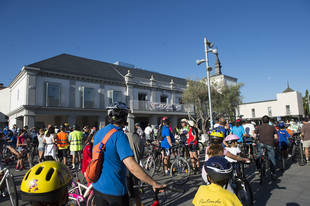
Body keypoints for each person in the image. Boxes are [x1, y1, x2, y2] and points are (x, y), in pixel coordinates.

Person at [92, 102, 164, 206]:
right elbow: (132, 167)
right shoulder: (119, 135)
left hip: (98, 187)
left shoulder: (99, 132)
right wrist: (153, 183)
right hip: (115, 191)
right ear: (124, 117)